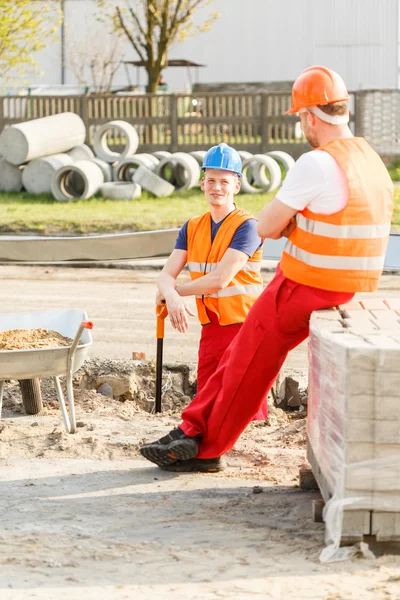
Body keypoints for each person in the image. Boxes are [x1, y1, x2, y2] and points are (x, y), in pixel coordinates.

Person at [141, 65, 394, 473]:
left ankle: (201, 446)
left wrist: (290, 223)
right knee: (239, 359)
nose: (302, 127)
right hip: (345, 286)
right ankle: (191, 431)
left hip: (304, 283)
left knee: (244, 361)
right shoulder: (370, 161)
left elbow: (267, 227)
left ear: (311, 116)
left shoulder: (317, 163)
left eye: (301, 119)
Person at [154, 143, 268, 447]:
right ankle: (202, 450)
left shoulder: (248, 227)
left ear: (237, 185)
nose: (217, 187)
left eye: (224, 181)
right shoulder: (192, 227)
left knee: (244, 402)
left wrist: (174, 292)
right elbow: (165, 274)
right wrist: (171, 293)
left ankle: (250, 453)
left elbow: (219, 280)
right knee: (208, 400)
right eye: (212, 180)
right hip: (211, 328)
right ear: (202, 182)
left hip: (244, 327)